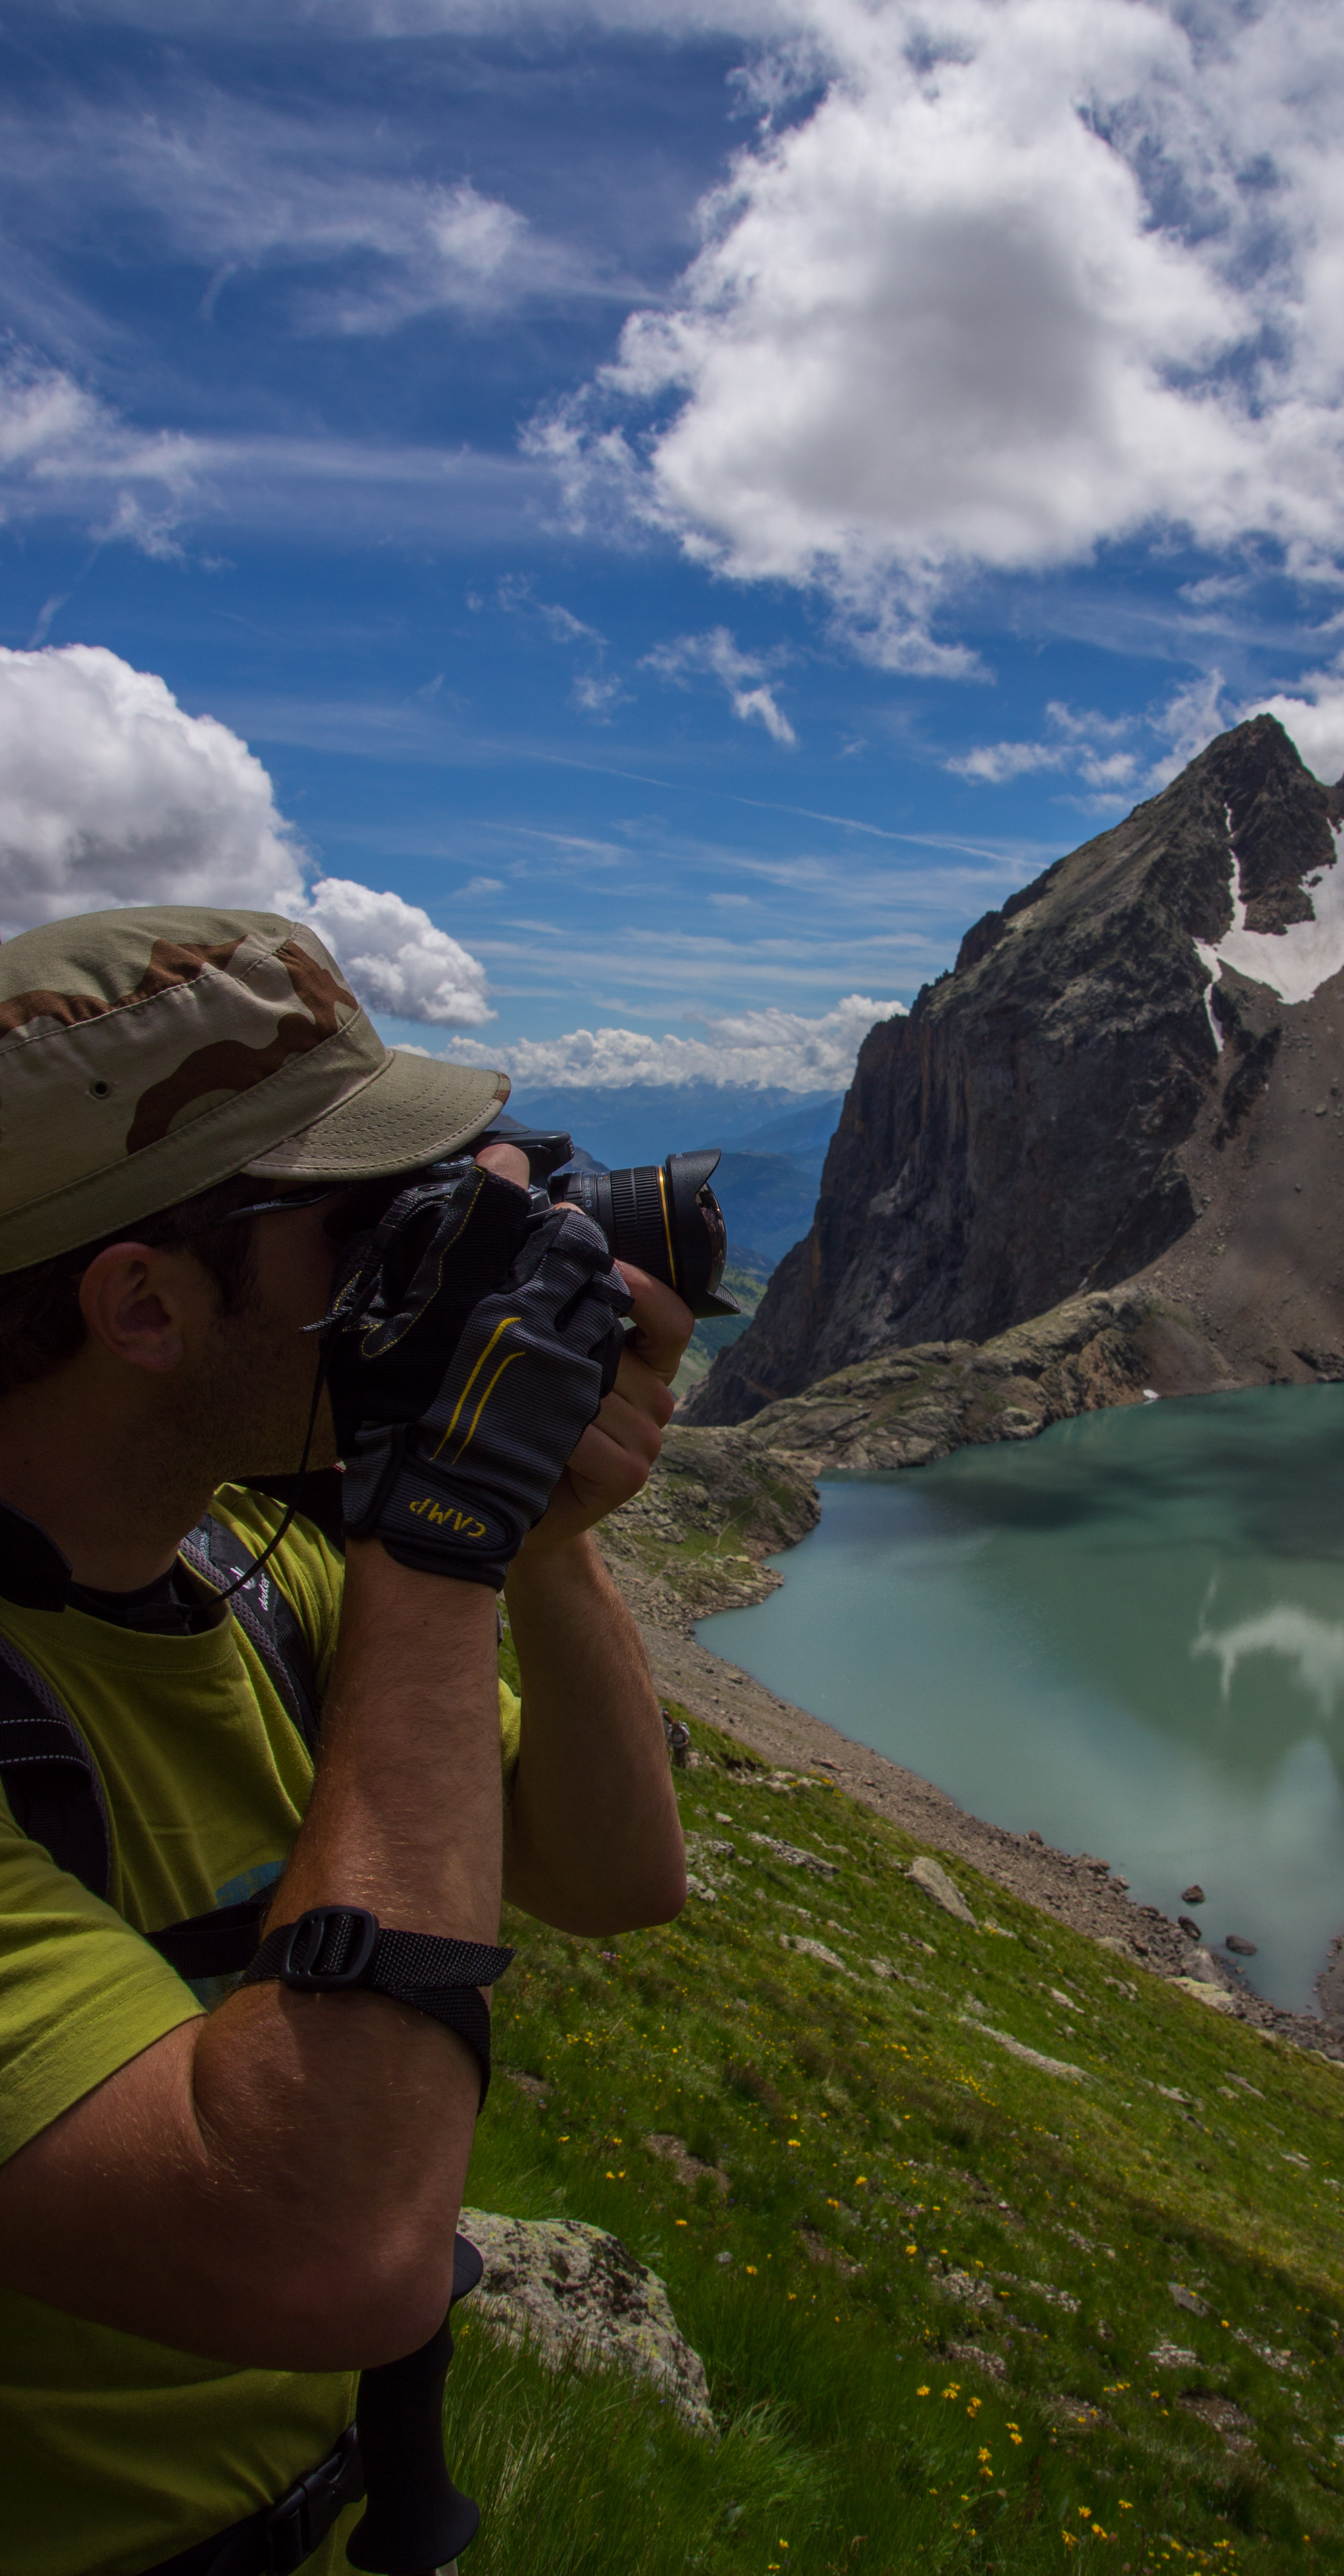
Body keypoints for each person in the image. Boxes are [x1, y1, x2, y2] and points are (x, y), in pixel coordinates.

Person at [0, 906, 691, 2576]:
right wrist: (435, 1532)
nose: (441, 1260)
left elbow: (612, 1877)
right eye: (377, 1221)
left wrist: (536, 1530)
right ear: (144, 1306)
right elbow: (331, 2256)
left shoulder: (251, 1562)